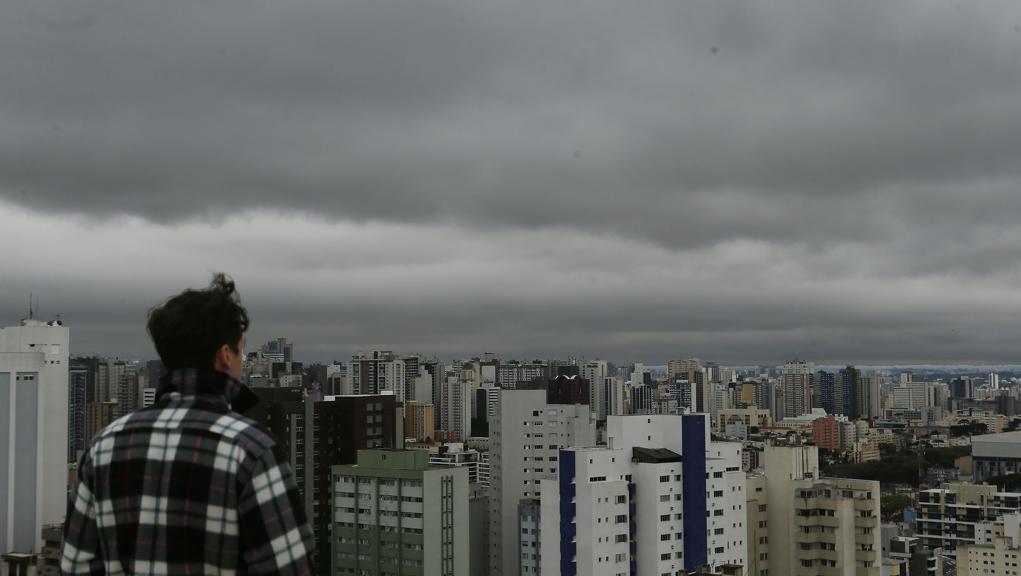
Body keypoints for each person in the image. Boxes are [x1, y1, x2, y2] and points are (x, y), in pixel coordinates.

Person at [61, 273, 314, 575]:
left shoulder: (104, 446)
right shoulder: (252, 450)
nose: (241, 361)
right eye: (240, 351)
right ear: (224, 355)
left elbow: (75, 565)